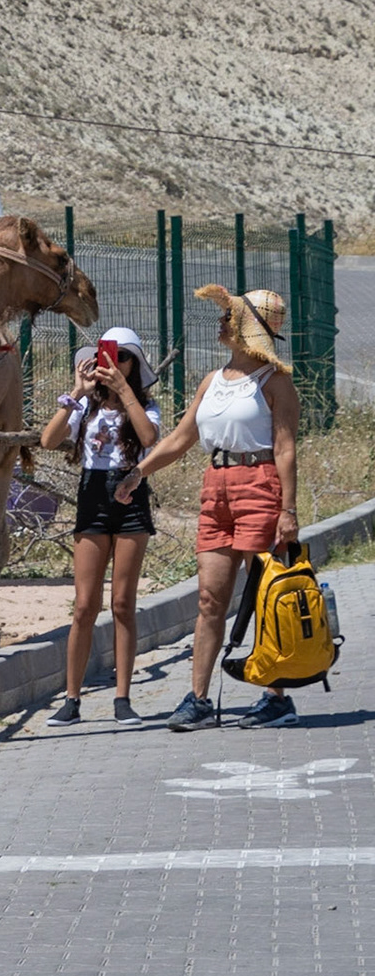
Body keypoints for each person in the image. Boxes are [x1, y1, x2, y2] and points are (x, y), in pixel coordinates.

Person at [114, 286, 302, 731]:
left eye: (228, 318)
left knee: (265, 597)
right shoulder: (212, 381)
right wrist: (138, 472)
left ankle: (276, 698)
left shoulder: (276, 383)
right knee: (209, 599)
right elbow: (180, 439)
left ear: (247, 328)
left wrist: (288, 511)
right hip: (215, 487)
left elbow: (286, 450)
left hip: (260, 485)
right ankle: (198, 700)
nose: (220, 324)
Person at [39, 327, 161, 726]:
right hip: (93, 494)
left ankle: (122, 698)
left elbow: (149, 437)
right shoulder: (86, 407)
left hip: (129, 494)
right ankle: (71, 699)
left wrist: (125, 391)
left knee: (123, 603)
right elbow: (48, 439)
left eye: (123, 356)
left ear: (135, 365)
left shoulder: (144, 405)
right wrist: (76, 390)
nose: (115, 363)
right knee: (85, 605)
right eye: (110, 355)